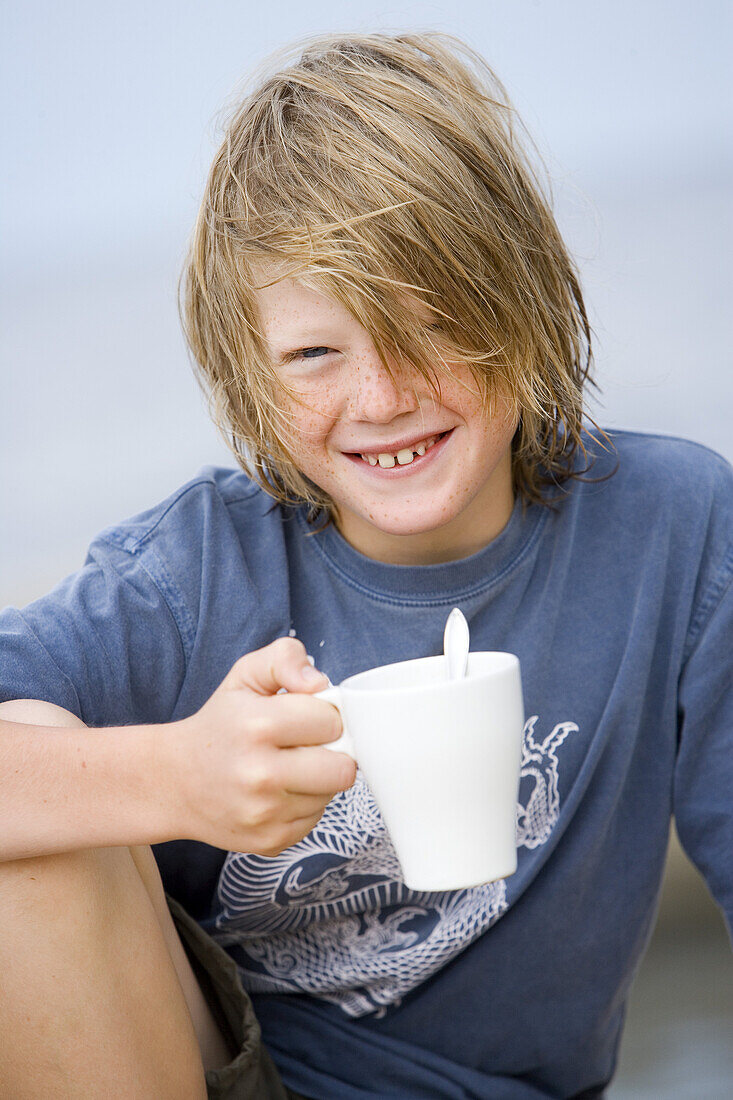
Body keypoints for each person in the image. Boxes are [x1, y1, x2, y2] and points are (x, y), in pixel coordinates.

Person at [0, 29, 730, 1100]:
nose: (383, 397)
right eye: (314, 353)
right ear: (246, 371)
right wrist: (176, 776)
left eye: (427, 323)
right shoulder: (192, 575)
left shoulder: (674, 530)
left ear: (521, 298)